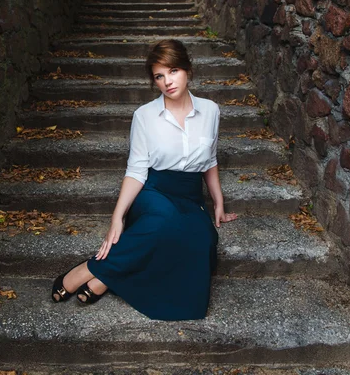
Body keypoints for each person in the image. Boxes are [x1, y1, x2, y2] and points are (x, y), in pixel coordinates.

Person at [51, 39, 238, 320]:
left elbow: (209, 161)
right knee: (164, 223)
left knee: (202, 241)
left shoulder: (210, 111)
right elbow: (136, 170)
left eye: (173, 71)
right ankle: (89, 269)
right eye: (159, 76)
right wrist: (118, 216)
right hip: (154, 190)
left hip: (189, 196)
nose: (167, 82)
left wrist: (219, 203)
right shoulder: (145, 116)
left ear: (188, 69)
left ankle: (107, 278)